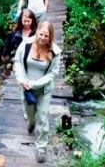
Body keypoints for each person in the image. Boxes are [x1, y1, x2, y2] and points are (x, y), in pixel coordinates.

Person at [13, 21, 62, 163]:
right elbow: (17, 62)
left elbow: (53, 73)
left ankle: (41, 147)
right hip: (26, 88)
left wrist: (34, 84)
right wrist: (21, 79)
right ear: (37, 33)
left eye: (46, 36)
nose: (42, 38)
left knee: (42, 117)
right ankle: (31, 121)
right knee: (30, 114)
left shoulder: (55, 52)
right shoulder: (26, 44)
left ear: (50, 36)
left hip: (43, 90)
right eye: (41, 34)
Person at [1, 9, 38, 119]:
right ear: (21, 20)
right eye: (24, 21)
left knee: (33, 85)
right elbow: (8, 44)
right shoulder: (16, 33)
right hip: (19, 63)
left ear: (32, 21)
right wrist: (4, 55)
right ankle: (27, 110)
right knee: (23, 86)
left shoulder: (36, 32)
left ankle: (34, 105)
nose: (26, 23)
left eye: (28, 21)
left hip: (33, 63)